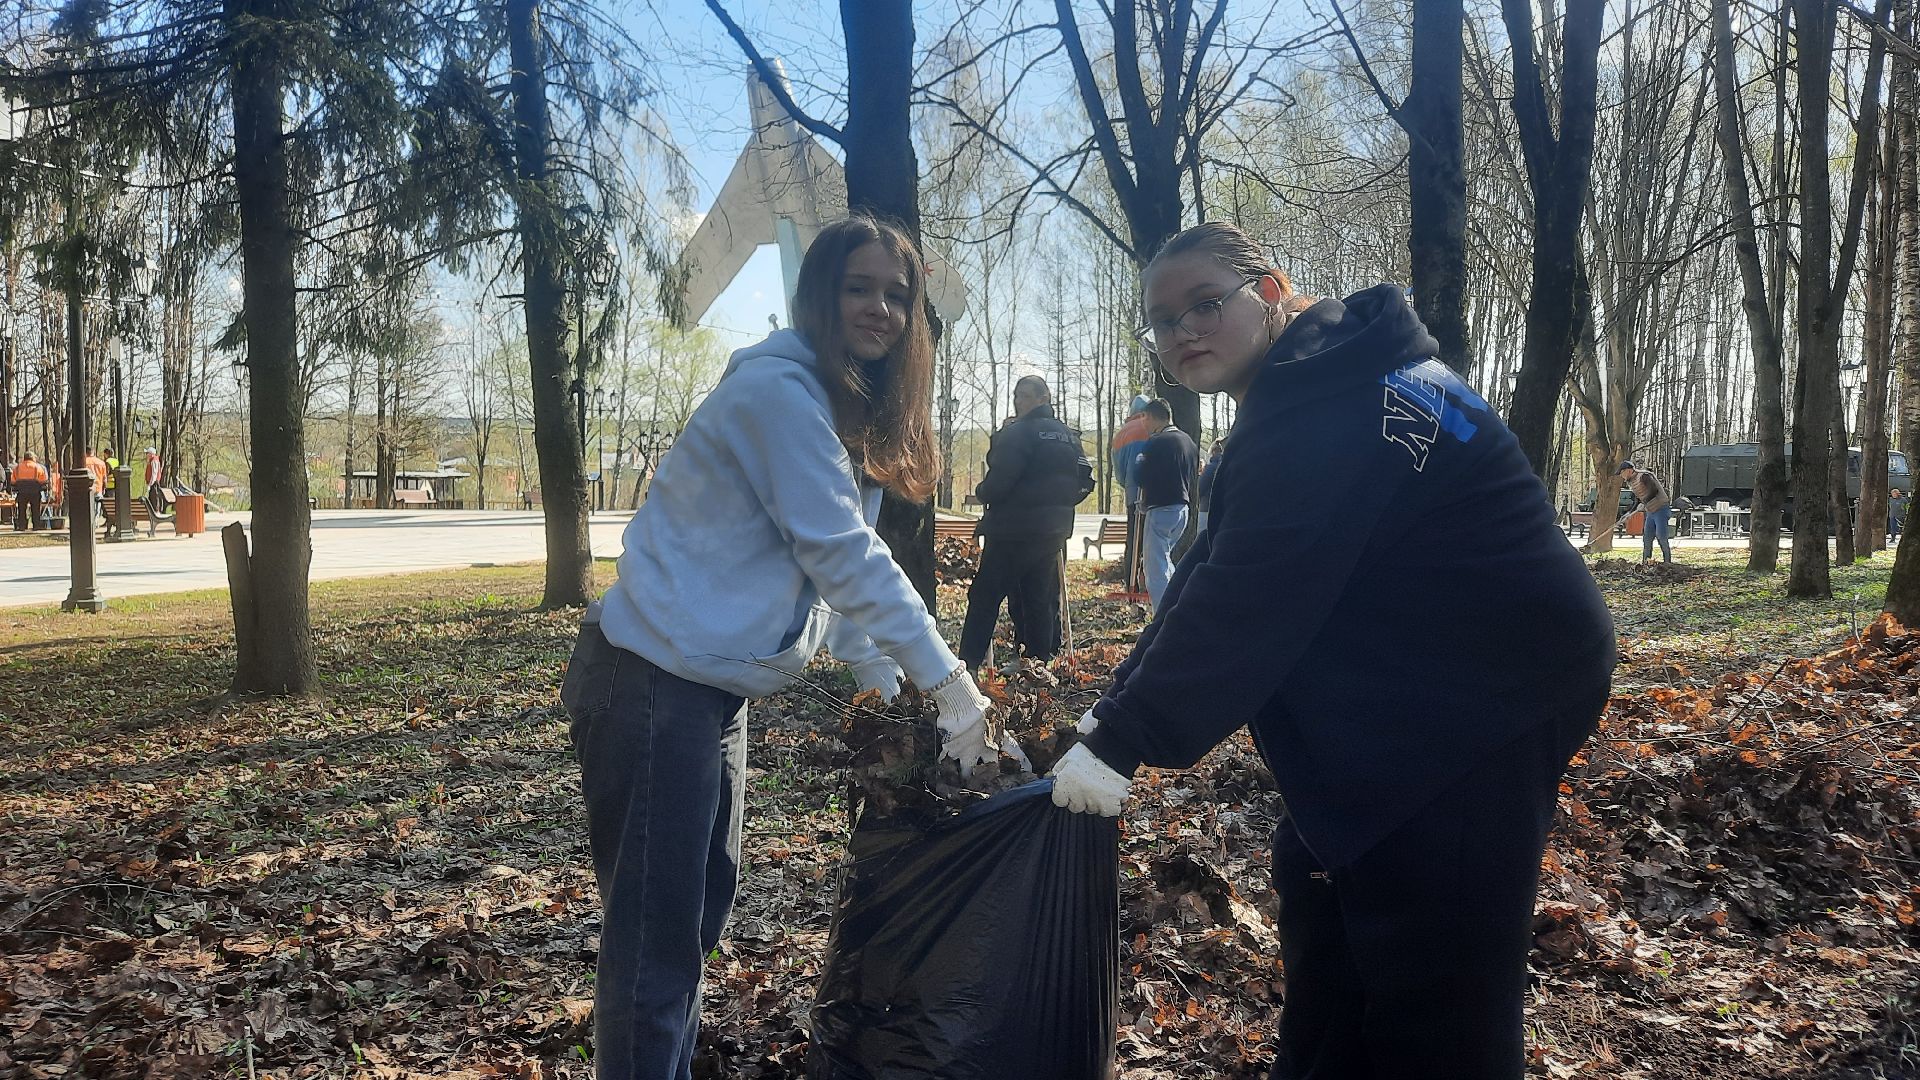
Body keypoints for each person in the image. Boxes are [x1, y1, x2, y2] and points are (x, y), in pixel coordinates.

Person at [1046, 221, 1615, 1078]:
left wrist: (1124, 741)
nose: (1182, 332)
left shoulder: (1334, 407)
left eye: (1206, 303)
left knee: (1438, 973)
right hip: (1417, 689)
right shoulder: (1322, 383)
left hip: (1484, 705)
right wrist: (1111, 710)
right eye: (1161, 322)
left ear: (1271, 291)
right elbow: (1215, 565)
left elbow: (1250, 597)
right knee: (1324, 891)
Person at [561, 216, 996, 1080]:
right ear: (818, 296)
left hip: (709, 691)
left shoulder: (840, 409)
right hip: (648, 682)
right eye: (859, 287)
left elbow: (829, 583)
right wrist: (947, 682)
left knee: (698, 917)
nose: (880, 308)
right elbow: (841, 552)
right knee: (656, 943)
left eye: (898, 296)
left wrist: (884, 683)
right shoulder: (776, 396)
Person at [960, 375, 1093, 677]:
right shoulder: (1069, 436)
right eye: (1017, 395)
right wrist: (1061, 505)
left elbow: (999, 482)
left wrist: (982, 493)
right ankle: (1038, 664)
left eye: (1026, 396)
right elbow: (1087, 480)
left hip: (1013, 529)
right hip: (1053, 531)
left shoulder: (1018, 433)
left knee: (985, 596)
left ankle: (967, 664)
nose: (1019, 402)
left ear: (1044, 398)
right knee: (1038, 597)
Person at [1134, 398, 1197, 609]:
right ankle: (1176, 603)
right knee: (1166, 560)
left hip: (1160, 507)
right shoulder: (1188, 441)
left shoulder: (1156, 442)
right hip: (1183, 508)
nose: (1143, 423)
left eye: (1144, 418)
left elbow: (1139, 476)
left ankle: (1163, 616)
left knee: (1155, 568)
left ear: (1151, 417)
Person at [1619, 460, 1671, 564]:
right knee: (1647, 538)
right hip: (1650, 511)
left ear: (1629, 470)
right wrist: (1628, 514)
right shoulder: (1632, 482)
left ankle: (1667, 563)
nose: (1621, 476)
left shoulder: (1644, 476)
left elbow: (1653, 491)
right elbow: (1637, 500)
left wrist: (1645, 502)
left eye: (1622, 472)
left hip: (1661, 508)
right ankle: (1646, 563)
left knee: (1661, 536)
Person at [11, 452, 48, 531]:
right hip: (35, 491)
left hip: (21, 492)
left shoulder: (17, 468)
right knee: (35, 509)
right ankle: (36, 526)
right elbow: (43, 481)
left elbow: (13, 481)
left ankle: (22, 526)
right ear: (33, 458)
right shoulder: (38, 467)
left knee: (22, 509)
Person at [1196, 436, 1226, 534]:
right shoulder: (1228, 466)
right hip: (1223, 510)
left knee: (1202, 538)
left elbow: (1200, 489)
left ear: (1213, 452)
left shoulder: (1210, 468)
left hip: (1206, 509)